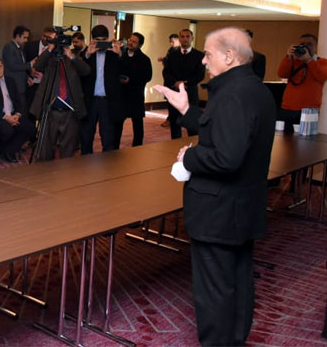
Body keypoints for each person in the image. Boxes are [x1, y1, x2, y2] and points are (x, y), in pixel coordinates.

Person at [154, 27, 275, 347]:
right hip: (240, 208)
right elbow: (221, 131)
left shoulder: (233, 94)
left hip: (220, 210)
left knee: (215, 291)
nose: (204, 61)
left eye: (208, 54)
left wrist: (190, 158)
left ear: (229, 56)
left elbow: (226, 157)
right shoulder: (252, 88)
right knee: (236, 282)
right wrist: (185, 110)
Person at [30, 43, 91, 160]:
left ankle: (66, 175)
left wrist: (71, 57)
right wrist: (50, 48)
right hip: (50, 110)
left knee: (68, 149)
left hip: (70, 110)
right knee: (45, 149)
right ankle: (44, 174)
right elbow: (37, 66)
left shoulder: (73, 59)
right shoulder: (50, 59)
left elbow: (86, 71)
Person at [79, 25, 128, 153]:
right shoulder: (86, 53)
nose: (101, 44)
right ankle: (84, 165)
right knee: (86, 136)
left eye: (103, 40)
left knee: (108, 137)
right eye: (97, 40)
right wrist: (88, 54)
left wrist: (120, 54)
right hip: (90, 101)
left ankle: (108, 168)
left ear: (108, 39)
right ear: (92, 39)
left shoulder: (114, 54)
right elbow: (79, 72)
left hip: (108, 101)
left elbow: (126, 70)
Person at [0, 57, 36, 162]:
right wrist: (6, 117)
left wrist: (18, 115)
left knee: (30, 128)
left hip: (13, 114)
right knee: (8, 130)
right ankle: (5, 151)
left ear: (3, 66)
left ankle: (8, 151)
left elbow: (18, 101)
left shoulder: (10, 80)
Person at [276, 33, 327, 133]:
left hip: (309, 110)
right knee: (284, 139)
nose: (306, 47)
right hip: (287, 107)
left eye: (309, 44)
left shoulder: (322, 62)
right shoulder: (294, 61)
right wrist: (288, 56)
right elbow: (282, 73)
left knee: (306, 141)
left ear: (316, 46)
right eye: (302, 44)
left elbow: (322, 76)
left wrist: (309, 60)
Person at [162, 28, 205, 139]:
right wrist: (175, 83)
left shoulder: (199, 55)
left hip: (190, 93)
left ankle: (193, 149)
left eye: (187, 36)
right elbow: (166, 72)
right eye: (182, 36)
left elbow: (200, 75)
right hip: (174, 92)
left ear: (192, 38)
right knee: (175, 123)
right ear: (179, 38)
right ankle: (175, 148)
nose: (185, 39)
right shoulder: (173, 54)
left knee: (192, 125)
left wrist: (185, 83)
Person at [114, 32, 153, 147]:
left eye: (134, 41)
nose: (130, 43)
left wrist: (131, 80)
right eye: (130, 40)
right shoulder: (121, 55)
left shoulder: (144, 59)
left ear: (140, 45)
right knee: (117, 124)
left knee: (137, 125)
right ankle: (115, 148)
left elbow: (147, 76)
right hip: (121, 95)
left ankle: (137, 147)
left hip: (135, 95)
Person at [2, 25, 32, 107]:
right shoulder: (9, 47)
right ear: (18, 36)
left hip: (21, 86)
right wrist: (30, 65)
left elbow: (21, 66)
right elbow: (13, 66)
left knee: (21, 110)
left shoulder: (21, 49)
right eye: (24, 37)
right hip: (14, 86)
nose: (26, 40)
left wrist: (27, 77)